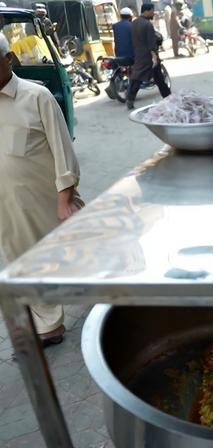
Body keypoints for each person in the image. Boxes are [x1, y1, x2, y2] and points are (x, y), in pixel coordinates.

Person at [0, 33, 83, 346]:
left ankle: (113, 297)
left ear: (9, 59)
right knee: (20, 258)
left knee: (72, 254)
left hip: (45, 199)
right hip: (7, 202)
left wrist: (65, 197)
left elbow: (64, 150)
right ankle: (48, 323)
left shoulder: (37, 96)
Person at [127, 3, 171, 110]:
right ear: (146, 11)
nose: (153, 13)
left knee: (138, 78)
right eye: (152, 10)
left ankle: (130, 99)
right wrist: (154, 57)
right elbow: (152, 43)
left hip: (139, 55)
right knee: (158, 79)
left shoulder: (134, 23)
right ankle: (169, 98)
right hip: (149, 57)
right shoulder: (147, 24)